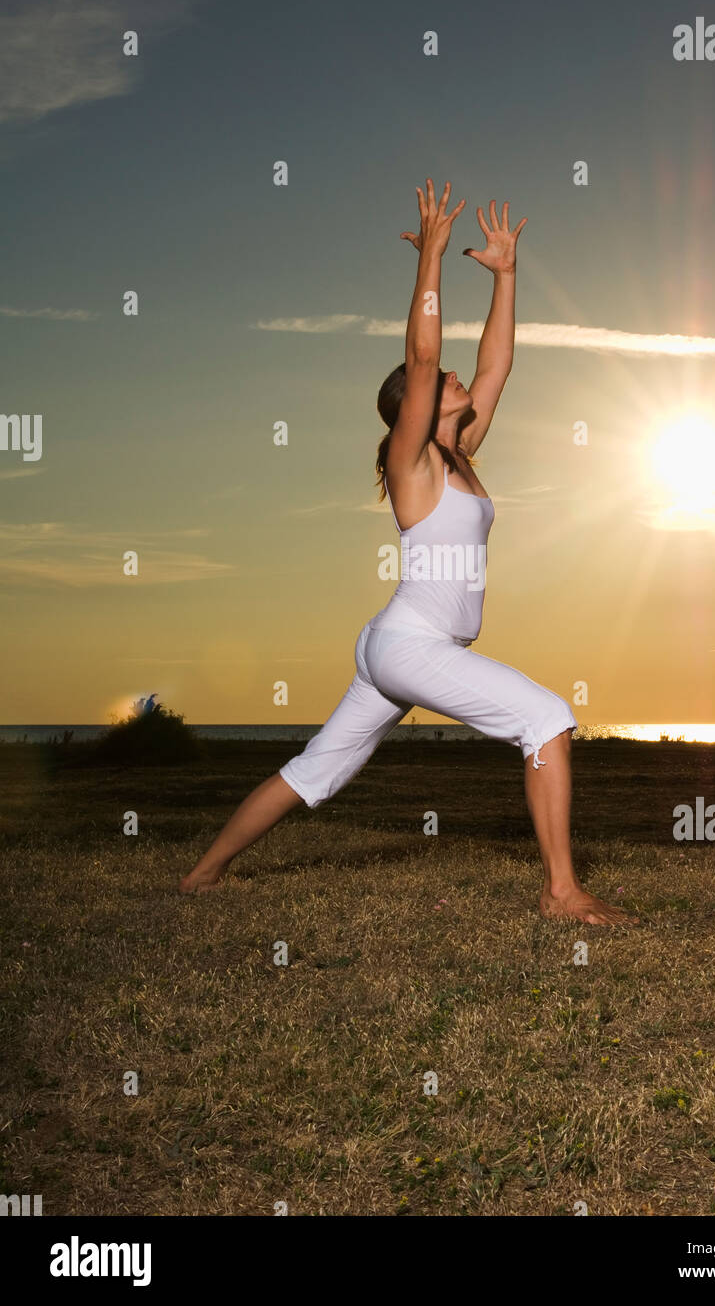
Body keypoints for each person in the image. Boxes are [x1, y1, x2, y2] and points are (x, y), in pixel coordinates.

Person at [180, 180, 637, 926]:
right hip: (410, 645)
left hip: (393, 645)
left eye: (455, 381)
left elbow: (495, 367)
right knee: (546, 718)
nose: (457, 377)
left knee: (314, 771)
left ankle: (201, 877)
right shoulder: (413, 464)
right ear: (414, 410)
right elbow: (423, 360)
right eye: (439, 383)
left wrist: (506, 275)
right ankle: (561, 893)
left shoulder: (461, 456)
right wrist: (429, 257)